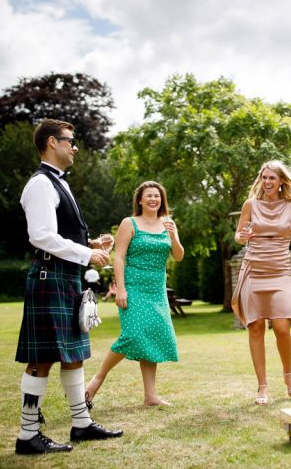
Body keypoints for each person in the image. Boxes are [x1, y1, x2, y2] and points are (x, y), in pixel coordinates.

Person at [15, 119, 123, 455]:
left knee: (74, 356)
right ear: (52, 142)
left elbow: (58, 232)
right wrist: (86, 254)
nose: (75, 147)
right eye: (70, 141)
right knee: (43, 358)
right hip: (50, 279)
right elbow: (41, 236)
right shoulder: (40, 184)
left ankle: (81, 424)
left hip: (64, 278)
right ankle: (27, 434)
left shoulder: (58, 183)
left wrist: (88, 242)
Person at [86, 181, 184, 407]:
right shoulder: (129, 223)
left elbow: (178, 256)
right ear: (140, 200)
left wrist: (174, 237)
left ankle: (150, 396)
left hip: (156, 289)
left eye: (157, 196)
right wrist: (120, 289)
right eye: (149, 196)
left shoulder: (168, 223)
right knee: (133, 335)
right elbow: (118, 257)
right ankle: (96, 381)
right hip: (133, 287)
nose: (153, 199)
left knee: (151, 336)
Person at [232, 160, 291, 405]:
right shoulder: (250, 205)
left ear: (282, 181)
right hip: (253, 269)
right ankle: (262, 387)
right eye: (264, 177)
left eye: (272, 178)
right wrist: (243, 236)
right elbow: (238, 236)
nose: (268, 182)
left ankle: (288, 376)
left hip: (280, 270)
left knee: (282, 327)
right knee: (256, 327)